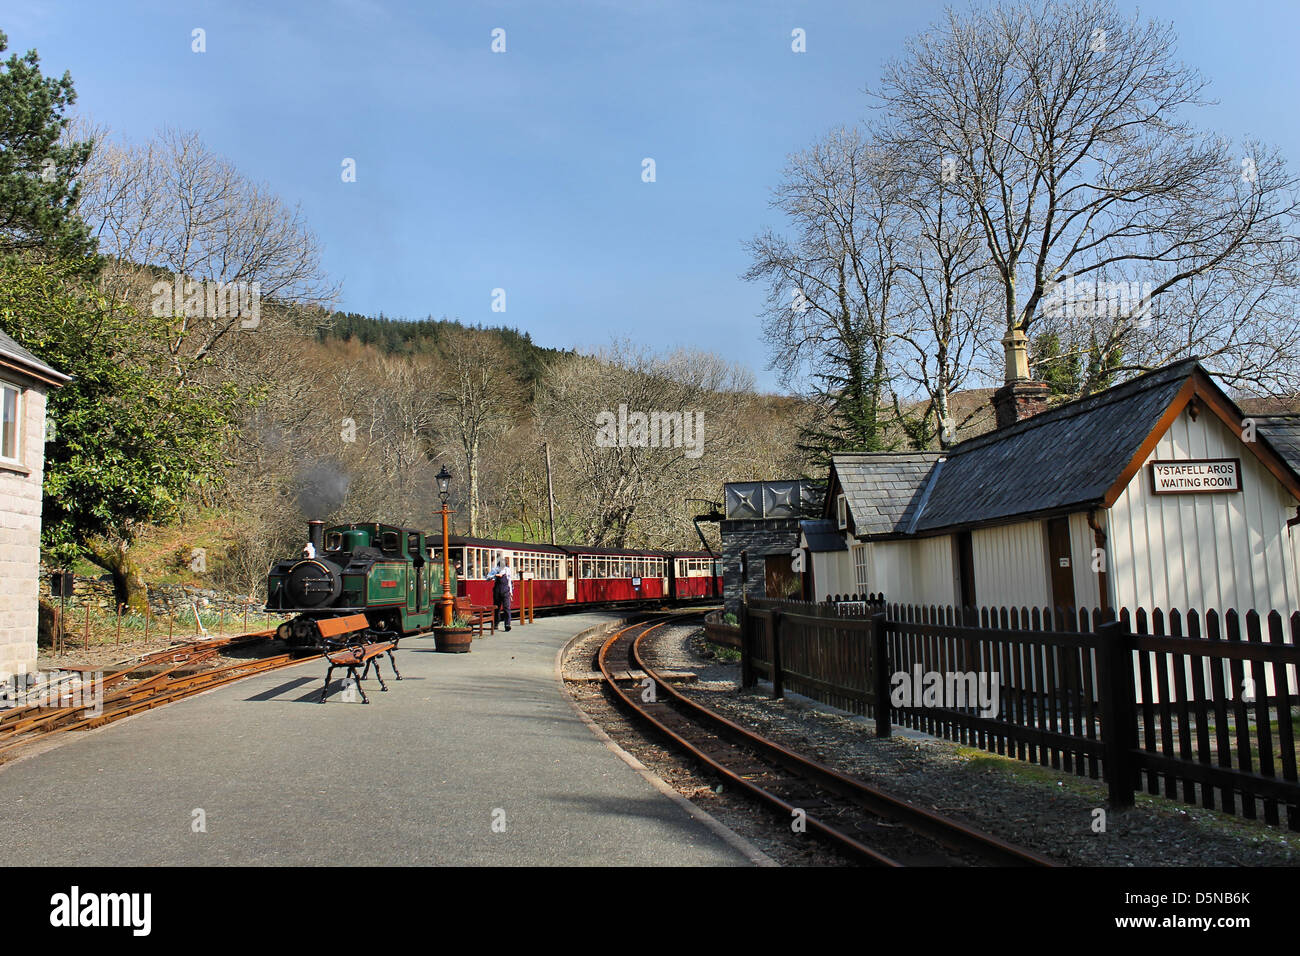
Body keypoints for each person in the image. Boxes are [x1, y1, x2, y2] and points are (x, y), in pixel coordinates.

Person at [486, 555, 515, 631]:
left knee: (507, 608)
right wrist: (495, 575)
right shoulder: (495, 569)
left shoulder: (507, 570)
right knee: (496, 608)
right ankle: (496, 623)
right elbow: (487, 578)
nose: (502, 568)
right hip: (497, 590)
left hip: (506, 590)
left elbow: (509, 581)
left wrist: (511, 592)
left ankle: (507, 624)